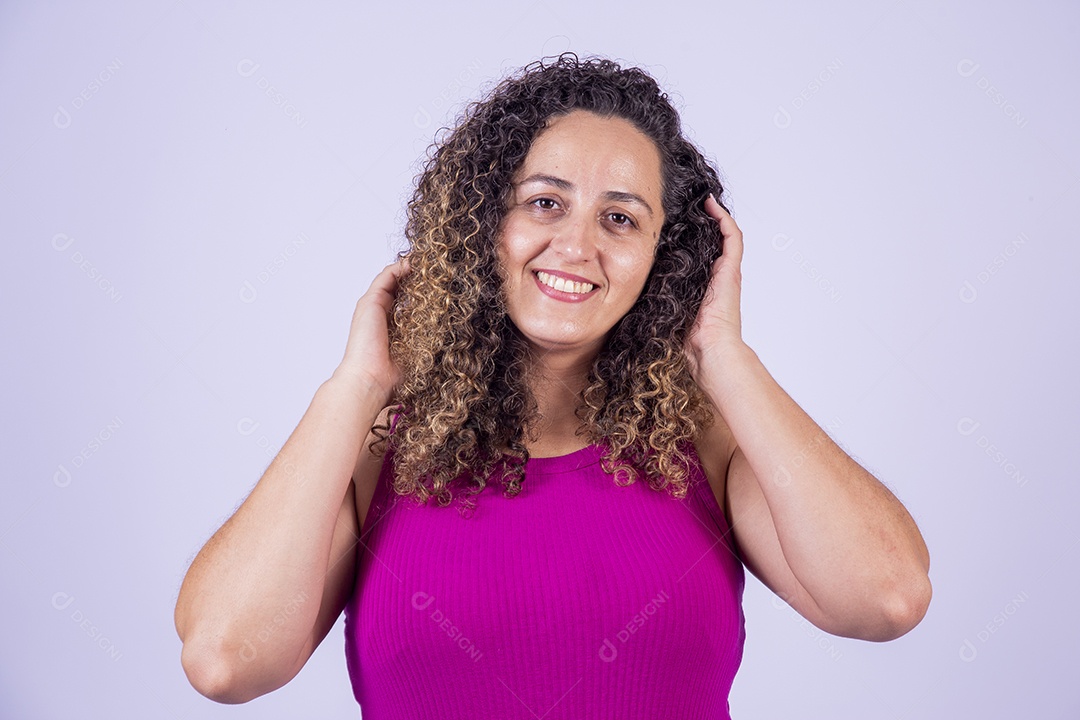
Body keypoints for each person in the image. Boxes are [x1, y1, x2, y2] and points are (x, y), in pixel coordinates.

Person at [174, 53, 931, 718]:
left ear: (665, 255)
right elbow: (224, 662)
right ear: (480, 224)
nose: (576, 245)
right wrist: (357, 385)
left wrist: (724, 354)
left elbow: (886, 599)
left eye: (620, 218)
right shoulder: (375, 453)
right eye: (545, 203)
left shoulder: (709, 446)